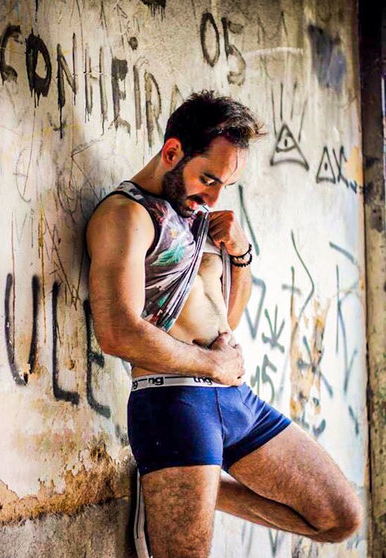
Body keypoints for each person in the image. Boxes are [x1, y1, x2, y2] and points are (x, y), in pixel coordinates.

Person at [86, 91, 362, 558]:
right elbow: (117, 332)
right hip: (174, 403)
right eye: (208, 179)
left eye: (224, 185)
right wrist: (213, 366)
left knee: (339, 518)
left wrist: (240, 252)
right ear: (172, 152)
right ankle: (169, 483)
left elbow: (225, 319)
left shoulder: (196, 218)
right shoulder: (126, 215)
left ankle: (182, 489)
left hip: (235, 400)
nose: (212, 197)